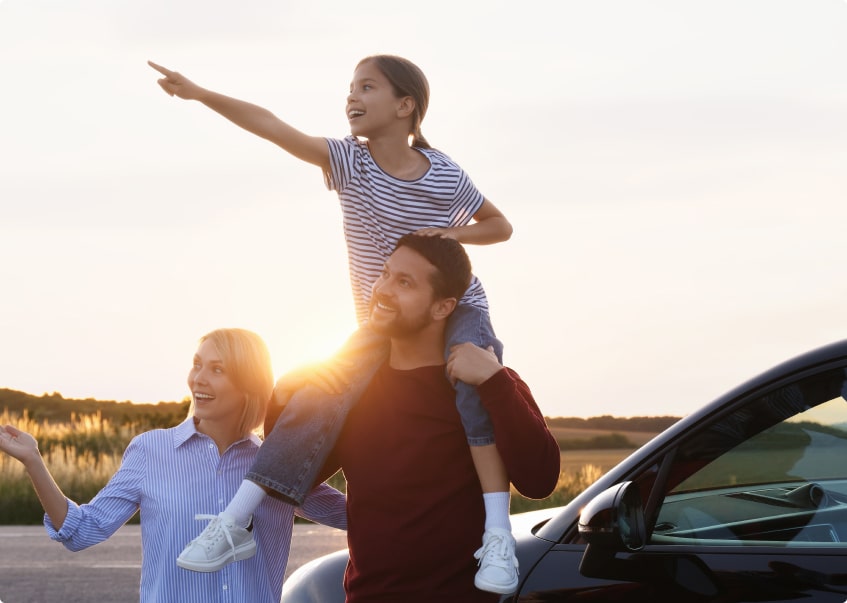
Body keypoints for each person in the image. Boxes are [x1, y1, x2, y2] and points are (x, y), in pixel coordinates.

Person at [149, 55, 520, 592]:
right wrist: (200, 93)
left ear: (405, 105)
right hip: (383, 321)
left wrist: (450, 235)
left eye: (367, 87)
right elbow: (273, 126)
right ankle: (237, 520)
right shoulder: (350, 163)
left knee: (471, 389)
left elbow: (499, 225)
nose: (352, 97)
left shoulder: (444, 174)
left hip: (458, 309)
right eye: (350, 88)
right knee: (318, 394)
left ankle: (497, 537)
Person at [0, 328, 347, 603]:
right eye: (197, 364)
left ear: (248, 383)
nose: (198, 379)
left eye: (217, 369)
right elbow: (80, 530)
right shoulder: (151, 451)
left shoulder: (279, 463)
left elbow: (355, 516)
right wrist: (33, 460)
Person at [318, 233, 561, 602]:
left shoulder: (489, 382)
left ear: (443, 307)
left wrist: (496, 381)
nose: (382, 289)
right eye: (384, 274)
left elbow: (540, 480)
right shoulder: (352, 389)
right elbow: (300, 473)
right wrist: (291, 394)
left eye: (404, 283)